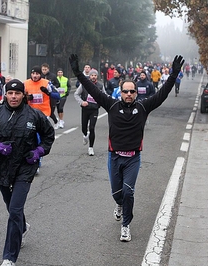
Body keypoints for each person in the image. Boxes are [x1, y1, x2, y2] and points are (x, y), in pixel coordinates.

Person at [69, 53, 184, 242]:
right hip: (114, 157)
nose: (129, 94)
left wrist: (173, 75)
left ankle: (126, 225)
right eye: (125, 91)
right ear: (120, 92)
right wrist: (77, 72)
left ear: (136, 93)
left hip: (133, 158)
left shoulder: (144, 107)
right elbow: (92, 89)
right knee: (117, 193)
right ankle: (120, 205)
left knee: (128, 191)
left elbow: (162, 94)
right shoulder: (111, 105)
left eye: (132, 91)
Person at [0, 79, 55, 266]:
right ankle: (22, 226)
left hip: (25, 168)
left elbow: (48, 135)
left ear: (23, 95)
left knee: (14, 211)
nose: (13, 97)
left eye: (17, 93)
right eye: (10, 93)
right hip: (2, 167)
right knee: (11, 206)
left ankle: (9, 257)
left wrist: (38, 152)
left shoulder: (34, 115)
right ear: (5, 95)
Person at [74, 69, 106, 156]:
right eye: (92, 75)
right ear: (90, 76)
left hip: (94, 109)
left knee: (92, 128)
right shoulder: (84, 85)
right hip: (85, 109)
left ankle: (91, 148)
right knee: (84, 128)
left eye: (95, 75)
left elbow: (104, 96)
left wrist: (102, 103)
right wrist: (81, 102)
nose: (93, 77)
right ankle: (85, 135)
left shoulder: (100, 85)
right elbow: (76, 94)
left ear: (97, 76)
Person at [41, 63, 61, 129]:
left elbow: (58, 84)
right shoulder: (40, 76)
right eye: (43, 69)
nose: (44, 71)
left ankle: (56, 122)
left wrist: (52, 87)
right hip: (43, 96)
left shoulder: (53, 76)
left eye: (45, 69)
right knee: (44, 111)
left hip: (51, 96)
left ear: (48, 69)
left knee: (50, 112)